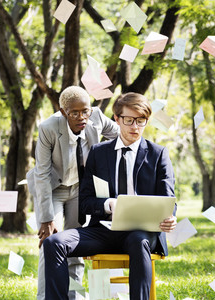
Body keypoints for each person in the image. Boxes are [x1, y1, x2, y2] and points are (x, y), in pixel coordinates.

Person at [43, 92, 177, 300]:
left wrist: (170, 218)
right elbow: (85, 202)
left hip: (140, 234)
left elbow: (168, 199)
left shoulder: (158, 154)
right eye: (129, 120)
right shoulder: (98, 152)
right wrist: (108, 204)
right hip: (103, 231)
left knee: (138, 241)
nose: (135, 127)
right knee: (54, 243)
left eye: (141, 121)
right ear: (117, 118)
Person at [27, 86, 119, 300]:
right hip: (54, 188)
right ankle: (45, 296)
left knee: (75, 239)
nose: (81, 117)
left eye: (85, 111)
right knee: (51, 240)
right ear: (63, 111)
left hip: (81, 189)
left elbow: (122, 135)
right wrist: (46, 218)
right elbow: (41, 174)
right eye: (74, 112)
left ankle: (74, 296)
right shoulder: (48, 128)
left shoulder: (96, 117)